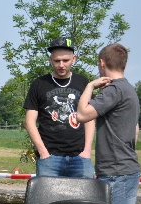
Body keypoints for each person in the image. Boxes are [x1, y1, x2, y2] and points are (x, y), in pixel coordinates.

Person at [75, 43, 140, 204]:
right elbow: (135, 129)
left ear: (101, 63)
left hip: (116, 172)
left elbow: (81, 115)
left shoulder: (115, 90)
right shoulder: (130, 89)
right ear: (125, 65)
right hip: (127, 168)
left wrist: (89, 86)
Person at [23, 36, 95, 178]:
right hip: (50, 158)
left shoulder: (83, 82)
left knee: (84, 199)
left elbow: (89, 119)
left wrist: (87, 151)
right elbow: (29, 122)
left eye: (65, 60)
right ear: (51, 60)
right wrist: (43, 152)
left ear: (73, 59)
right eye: (57, 61)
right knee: (48, 199)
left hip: (80, 157)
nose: (61, 65)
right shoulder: (39, 84)